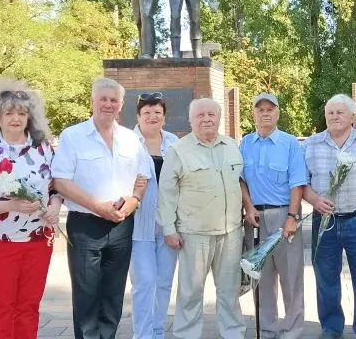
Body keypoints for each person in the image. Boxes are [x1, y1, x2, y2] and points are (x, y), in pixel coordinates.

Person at [52, 78, 151, 339]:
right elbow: (60, 181)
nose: (108, 104)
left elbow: (142, 180)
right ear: (93, 101)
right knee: (86, 295)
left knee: (113, 294)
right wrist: (98, 207)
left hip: (121, 224)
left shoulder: (131, 139)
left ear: (121, 105)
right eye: (103, 99)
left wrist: (133, 203)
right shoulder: (72, 136)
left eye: (114, 100)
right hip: (86, 225)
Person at [0, 79, 62, 339]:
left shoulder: (43, 149)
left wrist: (54, 206)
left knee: (29, 307)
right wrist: (11, 205)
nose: (15, 118)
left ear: (30, 116)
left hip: (39, 240)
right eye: (9, 113)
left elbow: (55, 187)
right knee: (1, 308)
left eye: (21, 112)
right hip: (0, 243)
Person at [159, 98, 246, 339]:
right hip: (193, 233)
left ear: (219, 118)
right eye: (200, 115)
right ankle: (187, 334)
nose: (207, 118)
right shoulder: (178, 151)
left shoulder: (231, 145)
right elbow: (166, 193)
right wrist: (169, 229)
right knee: (191, 292)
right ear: (191, 120)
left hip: (230, 232)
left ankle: (233, 333)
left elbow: (240, 182)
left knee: (229, 290)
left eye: (211, 114)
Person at [304, 94, 356, 339]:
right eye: (330, 113)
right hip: (324, 221)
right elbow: (301, 183)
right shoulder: (311, 144)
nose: (334, 117)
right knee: (325, 277)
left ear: (352, 116)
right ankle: (331, 327)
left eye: (340, 112)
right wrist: (314, 199)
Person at [240, 93, 308, 339]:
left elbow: (297, 183)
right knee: (263, 280)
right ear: (253, 114)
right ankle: (267, 331)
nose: (265, 113)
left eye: (270, 109)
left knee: (291, 279)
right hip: (255, 218)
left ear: (278, 113)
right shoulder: (245, 143)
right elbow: (241, 181)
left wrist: (292, 216)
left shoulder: (290, 143)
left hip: (283, 217)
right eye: (260, 109)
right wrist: (248, 207)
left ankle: (291, 332)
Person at [129, 92, 180, 339]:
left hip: (169, 225)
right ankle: (143, 334)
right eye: (147, 112)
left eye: (157, 112)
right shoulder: (126, 142)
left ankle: (157, 331)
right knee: (144, 283)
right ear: (138, 116)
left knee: (164, 282)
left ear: (164, 117)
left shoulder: (174, 143)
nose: (152, 117)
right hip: (139, 224)